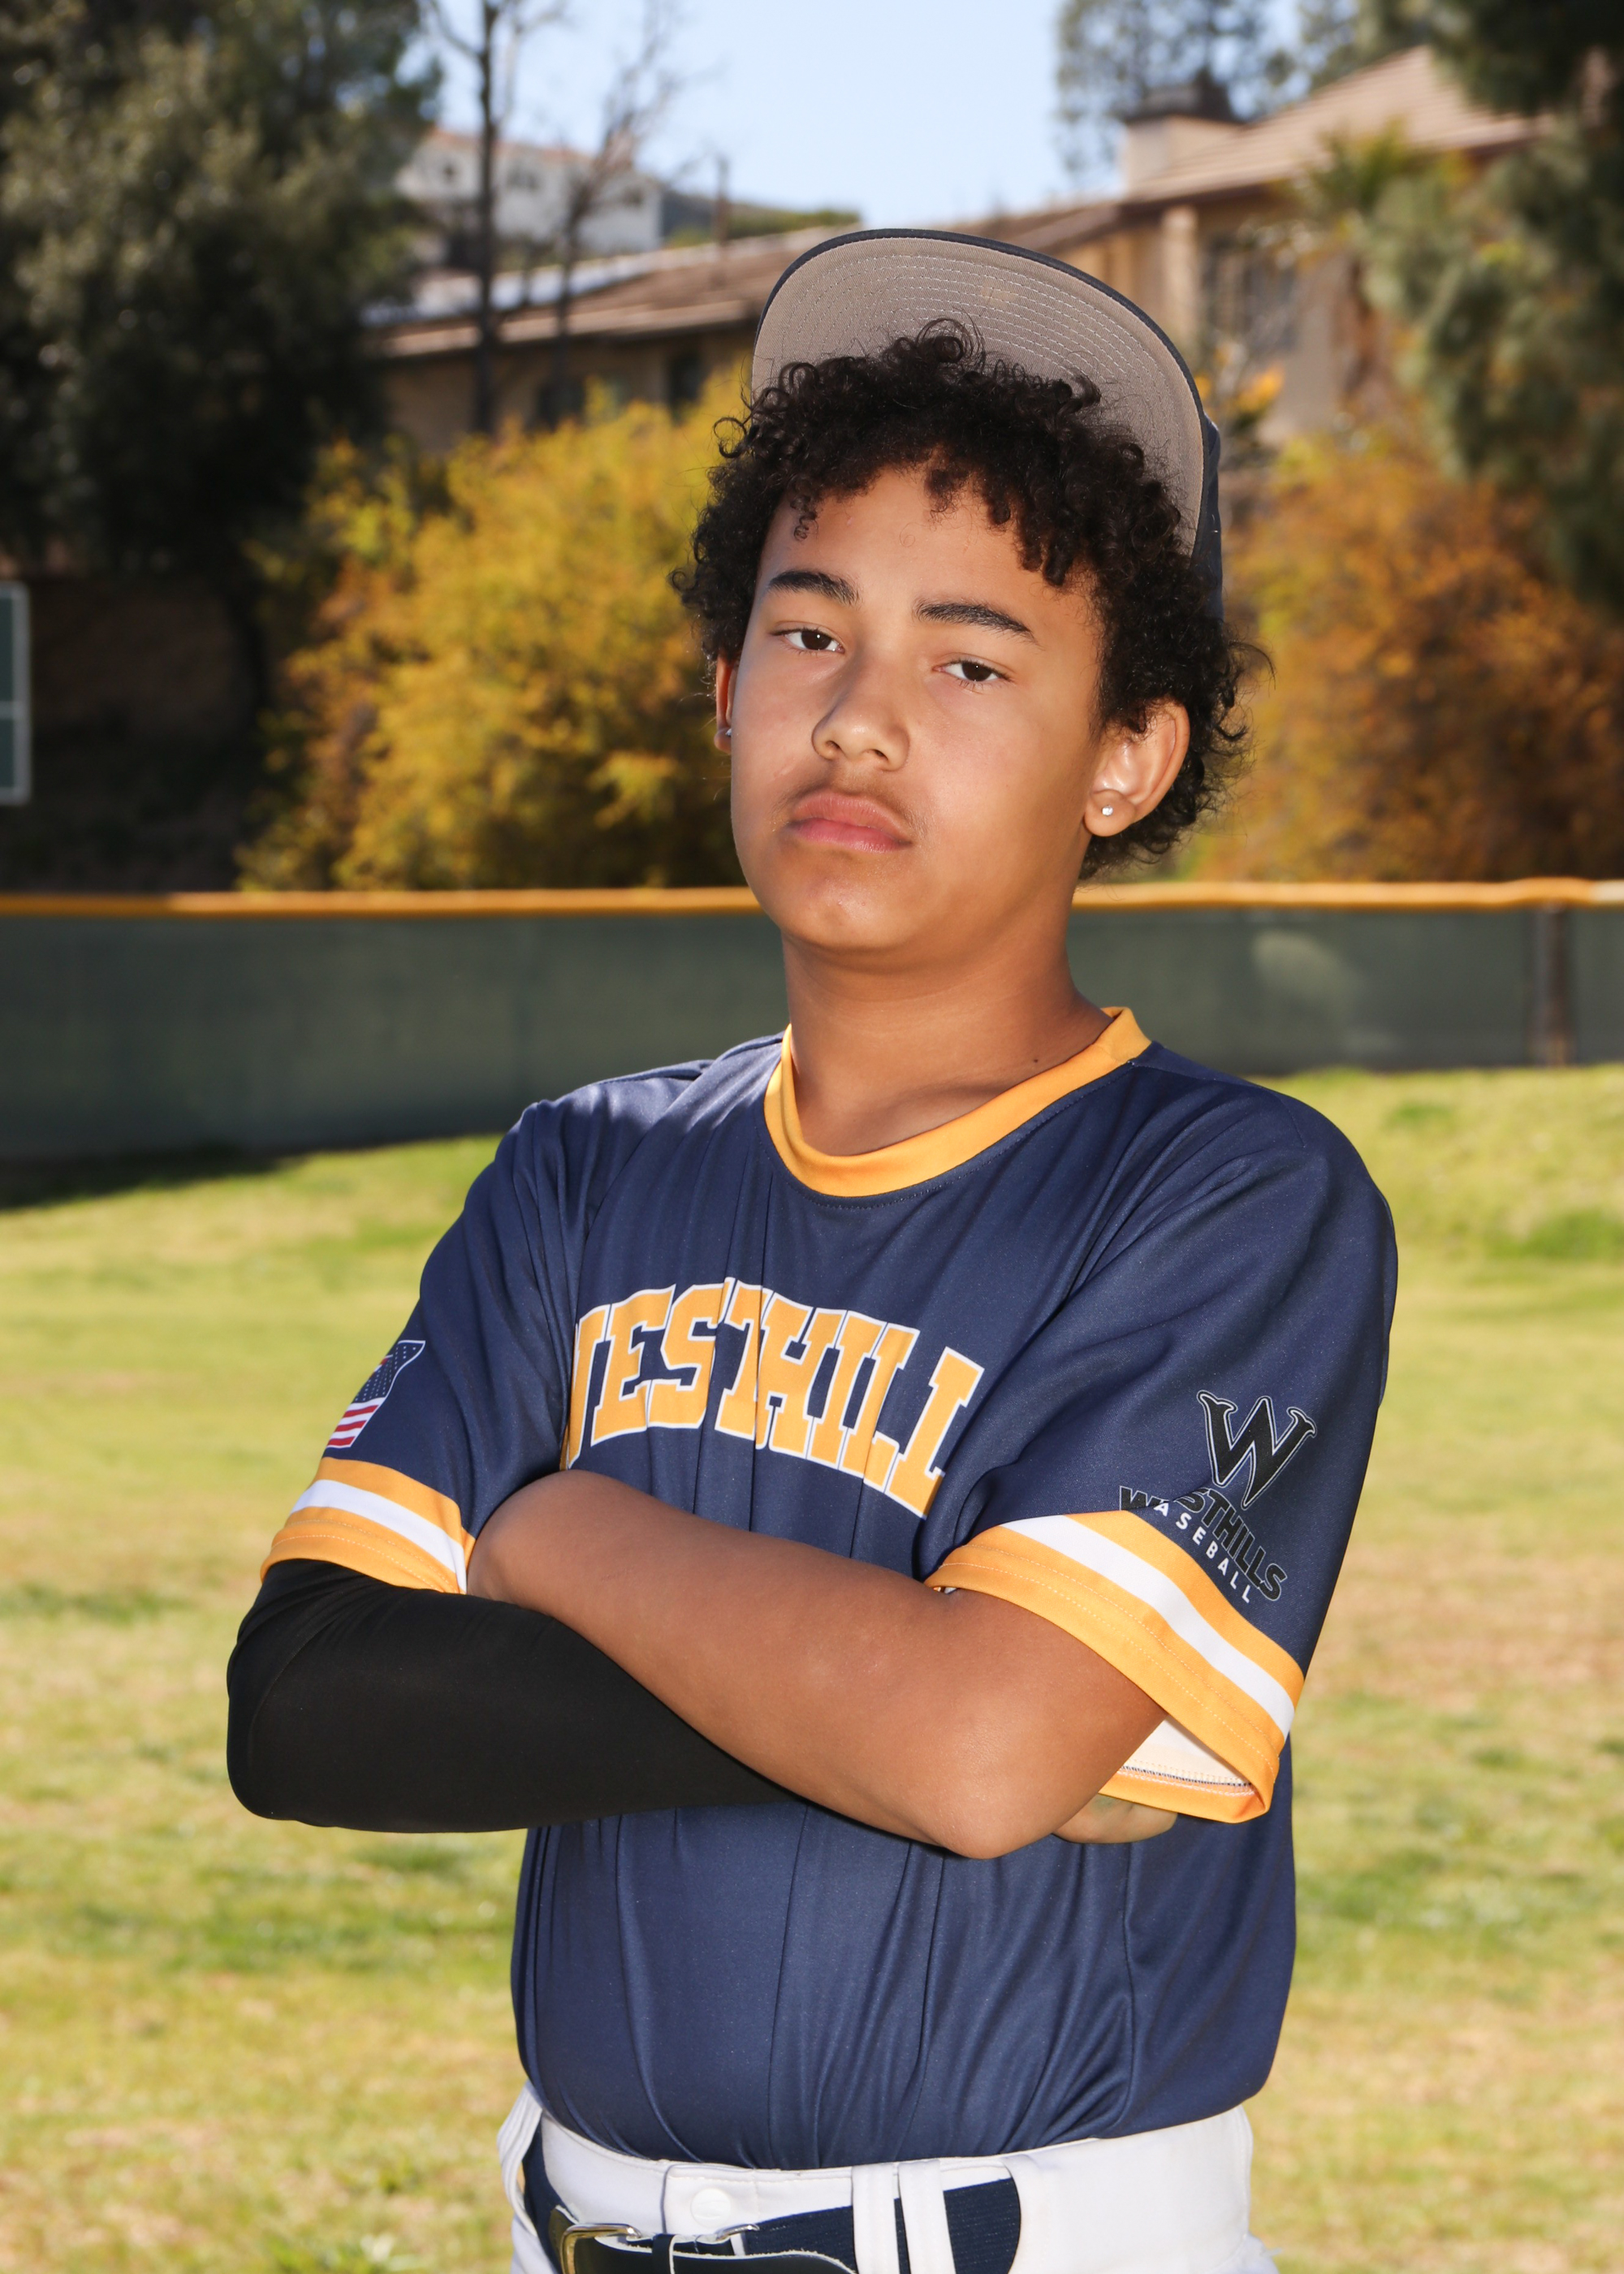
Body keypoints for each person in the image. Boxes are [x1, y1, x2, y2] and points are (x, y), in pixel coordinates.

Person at [230, 231, 1396, 2274]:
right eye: (804, 631)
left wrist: (560, 1530)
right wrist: (916, 1698)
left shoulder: (1227, 1194)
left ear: (1126, 753)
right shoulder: (582, 1173)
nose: (856, 720)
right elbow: (312, 1702)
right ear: (722, 688)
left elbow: (980, 1745)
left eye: (969, 660)